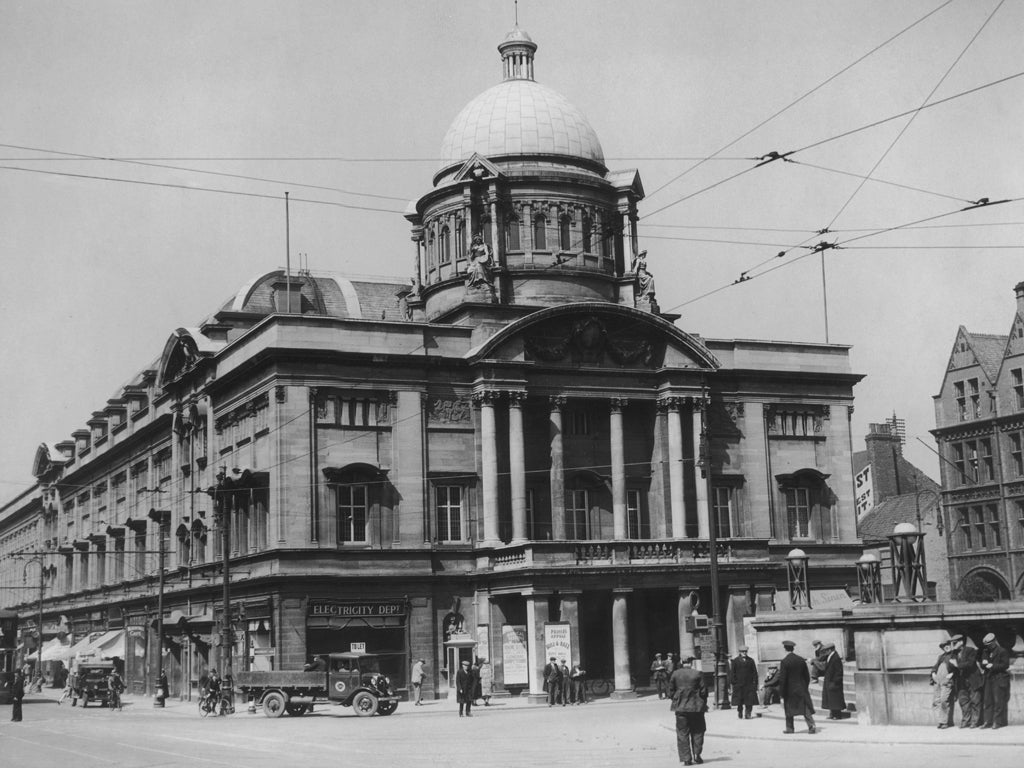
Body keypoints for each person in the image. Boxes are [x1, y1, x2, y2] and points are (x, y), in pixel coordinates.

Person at [668, 656, 708, 766]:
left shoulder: (675, 674)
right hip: (696, 707)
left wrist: (677, 699)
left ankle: (686, 758)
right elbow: (704, 691)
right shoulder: (698, 673)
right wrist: (701, 702)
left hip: (681, 708)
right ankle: (697, 754)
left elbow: (670, 691)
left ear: (682, 662)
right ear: (691, 663)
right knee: (698, 730)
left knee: (682, 733)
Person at [778, 640, 816, 734]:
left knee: (788, 708)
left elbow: (783, 679)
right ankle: (811, 725)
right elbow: (807, 676)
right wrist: (804, 686)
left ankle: (790, 728)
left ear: (785, 649)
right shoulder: (800, 660)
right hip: (801, 688)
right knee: (805, 708)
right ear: (793, 648)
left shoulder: (784, 661)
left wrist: (781, 694)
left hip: (789, 690)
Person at [950, 634, 983, 728]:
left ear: (961, 642)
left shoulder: (970, 650)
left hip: (973, 680)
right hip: (961, 681)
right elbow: (950, 666)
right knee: (963, 702)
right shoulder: (954, 653)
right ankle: (965, 721)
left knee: (975, 701)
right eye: (952, 643)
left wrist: (957, 665)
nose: (953, 645)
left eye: (955, 643)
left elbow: (970, 663)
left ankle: (974, 722)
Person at [979, 632, 1010, 729]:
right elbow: (982, 662)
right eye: (986, 645)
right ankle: (987, 722)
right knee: (987, 701)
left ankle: (998, 722)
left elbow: (1005, 665)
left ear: (994, 641)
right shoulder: (985, 651)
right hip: (989, 678)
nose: (988, 647)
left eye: (989, 645)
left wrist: (993, 666)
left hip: (999, 678)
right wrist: (983, 663)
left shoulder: (1002, 651)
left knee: (998, 702)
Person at [931, 638, 956, 729]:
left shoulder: (954, 655)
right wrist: (933, 673)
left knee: (944, 700)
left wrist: (952, 674)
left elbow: (958, 667)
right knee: (936, 701)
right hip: (937, 680)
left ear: (951, 645)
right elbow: (935, 666)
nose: (946, 647)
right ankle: (940, 721)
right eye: (944, 646)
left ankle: (944, 722)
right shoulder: (941, 657)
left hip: (947, 681)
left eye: (948, 645)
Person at [729, 645, 758, 719]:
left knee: (749, 700)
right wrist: (734, 682)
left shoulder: (751, 660)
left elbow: (754, 672)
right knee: (739, 700)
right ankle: (740, 711)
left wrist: (755, 683)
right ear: (740, 652)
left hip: (749, 684)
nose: (744, 653)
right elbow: (732, 673)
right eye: (742, 652)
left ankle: (748, 713)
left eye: (745, 651)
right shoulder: (735, 661)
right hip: (739, 684)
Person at [820, 642, 846, 720]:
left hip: (834, 682)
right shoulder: (830, 656)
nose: (825, 652)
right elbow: (821, 658)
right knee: (831, 699)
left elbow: (839, 671)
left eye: (826, 650)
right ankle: (832, 714)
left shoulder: (836, 657)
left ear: (830, 650)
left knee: (835, 699)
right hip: (829, 680)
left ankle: (837, 715)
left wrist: (835, 682)